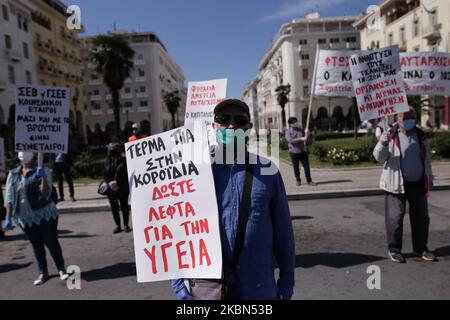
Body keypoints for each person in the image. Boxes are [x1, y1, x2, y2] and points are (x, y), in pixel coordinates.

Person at [171, 98, 295, 300]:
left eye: (239, 120)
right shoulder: (193, 171)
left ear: (249, 128)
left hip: (258, 287)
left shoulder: (268, 172)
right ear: (214, 126)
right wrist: (178, 286)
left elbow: (284, 234)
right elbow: (173, 230)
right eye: (223, 119)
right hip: (207, 289)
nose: (231, 125)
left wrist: (287, 283)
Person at [373, 107, 436, 263]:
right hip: (396, 184)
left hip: (418, 184)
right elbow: (378, 158)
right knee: (394, 219)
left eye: (412, 116)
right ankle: (394, 250)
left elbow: (426, 159)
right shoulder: (391, 134)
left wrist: (430, 178)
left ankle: (420, 248)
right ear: (398, 118)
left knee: (422, 218)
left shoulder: (420, 135)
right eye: (406, 116)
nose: (409, 119)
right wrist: (383, 142)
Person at [4, 152, 69, 285]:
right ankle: (43, 272)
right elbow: (9, 197)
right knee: (36, 245)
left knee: (51, 242)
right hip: (25, 217)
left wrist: (43, 178)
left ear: (33, 154)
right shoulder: (13, 173)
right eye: (21, 150)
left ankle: (61, 269)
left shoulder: (43, 170)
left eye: (26, 150)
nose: (23, 153)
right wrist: (8, 216)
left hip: (44, 213)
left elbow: (46, 194)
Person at [104, 143, 131, 234]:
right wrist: (109, 183)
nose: (112, 151)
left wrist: (117, 182)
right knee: (114, 208)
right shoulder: (107, 161)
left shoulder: (124, 160)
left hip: (122, 187)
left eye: (113, 150)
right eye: (110, 150)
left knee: (124, 207)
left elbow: (127, 174)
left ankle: (126, 225)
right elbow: (105, 174)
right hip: (111, 189)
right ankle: (118, 225)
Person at [285, 117, 316, 187]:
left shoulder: (301, 130)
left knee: (306, 167)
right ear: (290, 124)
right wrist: (301, 139)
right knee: (296, 167)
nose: (296, 123)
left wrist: (307, 134)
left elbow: (307, 139)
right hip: (293, 152)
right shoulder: (288, 132)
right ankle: (298, 180)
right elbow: (291, 141)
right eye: (294, 122)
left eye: (296, 122)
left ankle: (309, 180)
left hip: (302, 151)